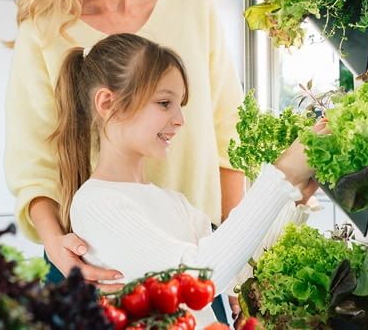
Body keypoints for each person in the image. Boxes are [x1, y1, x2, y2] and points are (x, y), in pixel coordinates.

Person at [4, 0, 253, 312]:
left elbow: (228, 135)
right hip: (99, 268)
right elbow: (32, 164)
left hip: (196, 263)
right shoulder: (43, 29)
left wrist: (234, 254)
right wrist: (59, 248)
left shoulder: (192, 6)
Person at [52, 33, 323, 327]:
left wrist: (296, 197)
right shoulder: (96, 204)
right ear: (107, 103)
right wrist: (282, 174)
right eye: (165, 102)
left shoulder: (173, 202)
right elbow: (194, 284)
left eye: (179, 104)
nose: (180, 118)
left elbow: (241, 274)